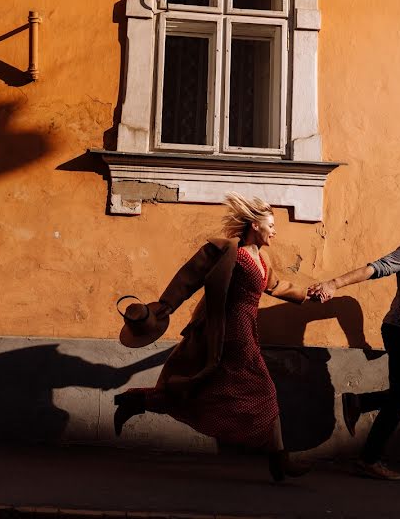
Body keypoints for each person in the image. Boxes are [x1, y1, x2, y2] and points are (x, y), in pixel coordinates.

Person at [114, 193, 311, 482]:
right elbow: (189, 278)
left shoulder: (262, 258)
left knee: (204, 390)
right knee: (266, 391)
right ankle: (279, 460)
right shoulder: (230, 252)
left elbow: (277, 286)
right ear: (255, 225)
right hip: (230, 333)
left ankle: (138, 401)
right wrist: (163, 308)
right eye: (271, 224)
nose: (275, 231)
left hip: (248, 329)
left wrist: (310, 294)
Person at [309, 206, 400, 481]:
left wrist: (358, 338)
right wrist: (334, 284)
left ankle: (358, 402)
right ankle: (368, 459)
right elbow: (375, 268)